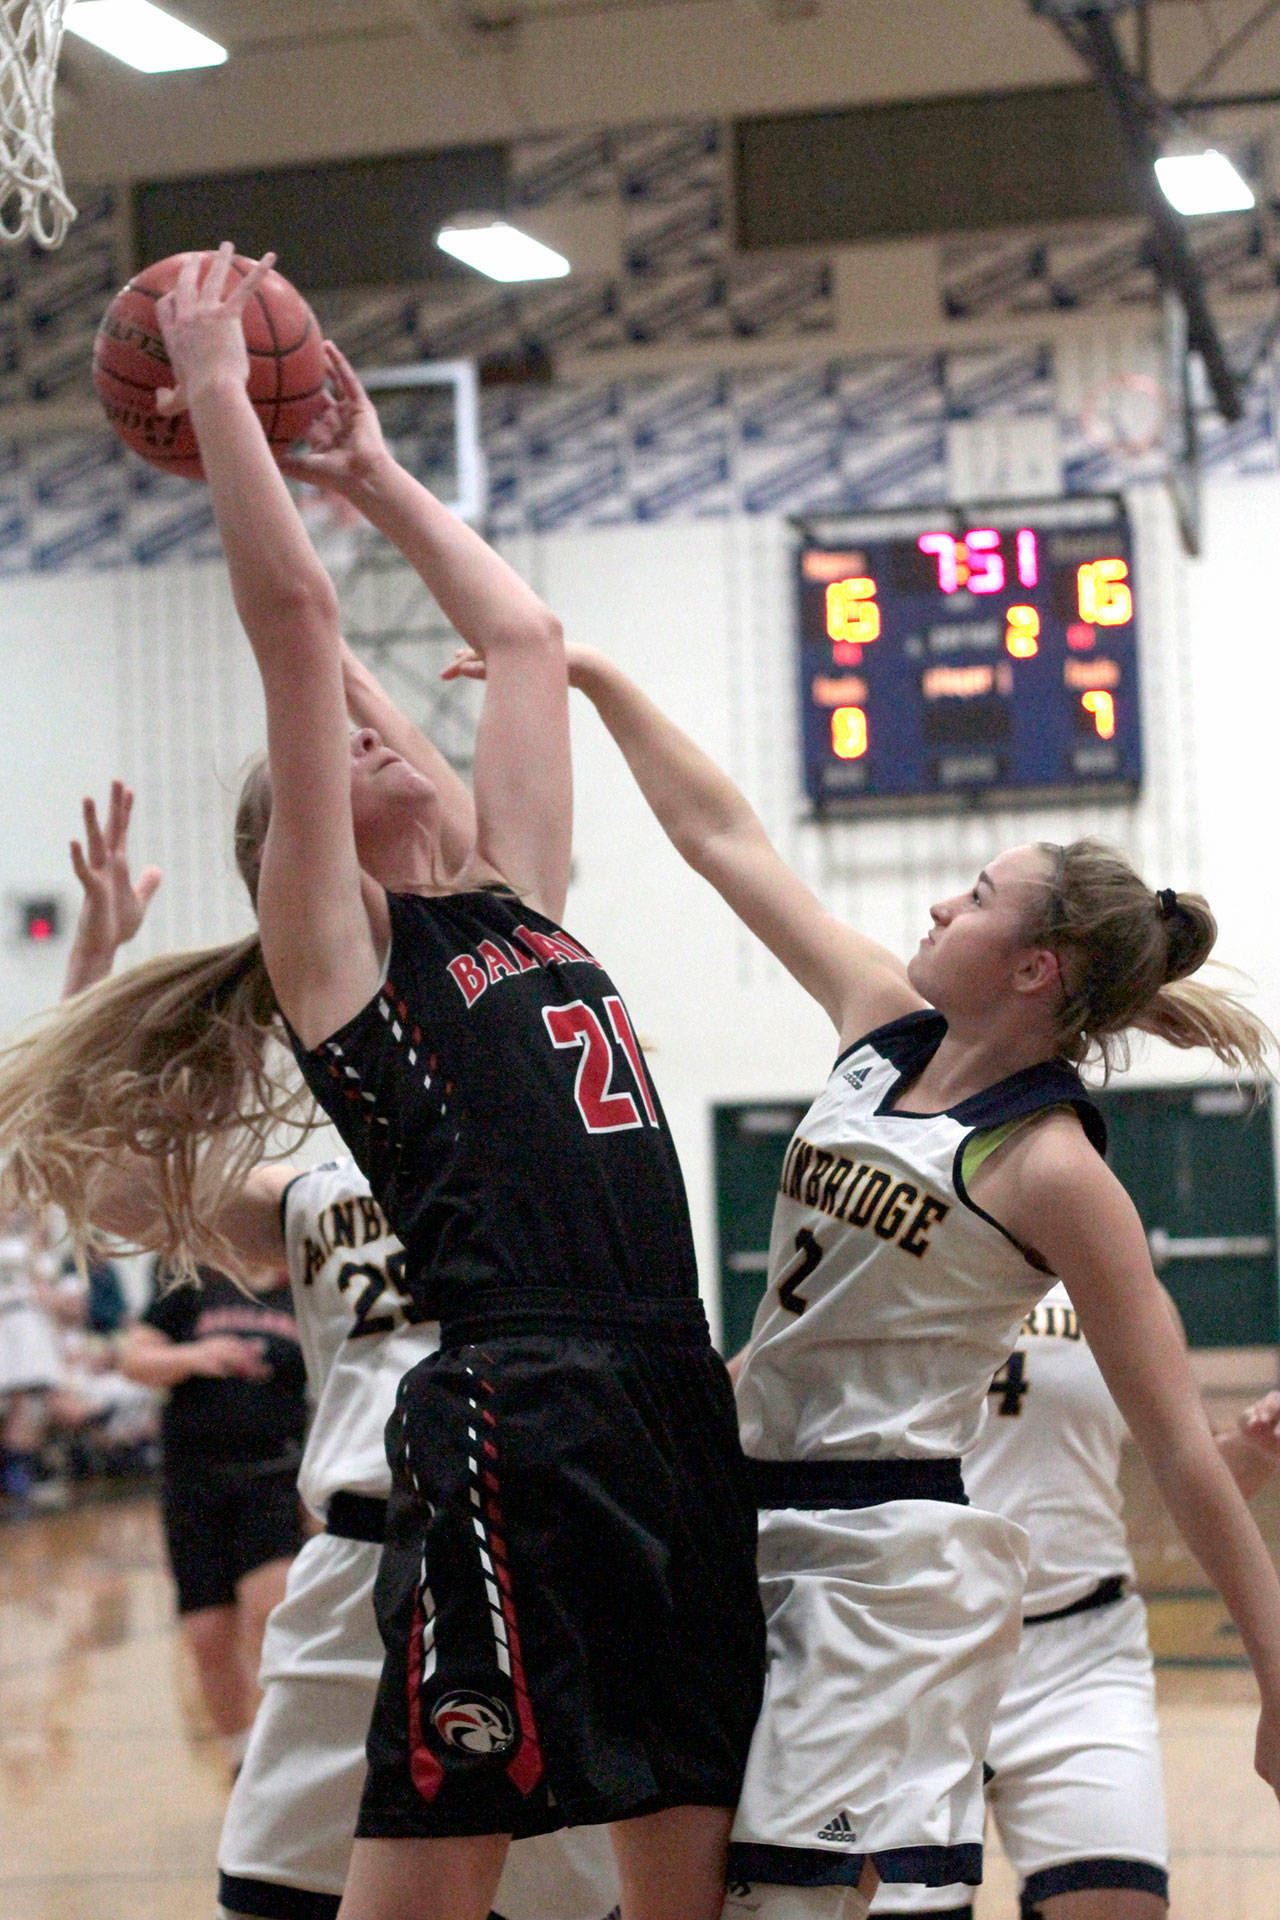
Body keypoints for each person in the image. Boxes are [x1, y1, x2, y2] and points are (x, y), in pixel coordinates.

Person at [0, 247, 764, 1920]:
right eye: (331, 754)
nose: (366, 735)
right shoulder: (355, 963)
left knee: (684, 1856)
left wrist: (370, 467)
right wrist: (220, 395)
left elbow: (524, 634)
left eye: (376, 731)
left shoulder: (523, 900)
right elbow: (300, 623)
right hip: (508, 1420)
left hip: (667, 1396)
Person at [517, 638, 1280, 1920]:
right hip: (735, 1511)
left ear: (1033, 968)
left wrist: (1274, 1666)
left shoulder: (1051, 1170)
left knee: (810, 1902)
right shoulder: (879, 1035)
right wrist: (591, 677)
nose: (937, 906)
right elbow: (724, 838)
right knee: (651, 1887)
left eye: (973, 896)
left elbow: (1183, 1454)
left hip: (882, 1559)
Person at [867, 1281, 1280, 1920]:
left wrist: (1252, 1449)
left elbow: (1198, 1469)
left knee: (1120, 1903)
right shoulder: (888, 1250)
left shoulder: (1112, 1277)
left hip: (1078, 1660)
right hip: (908, 1657)